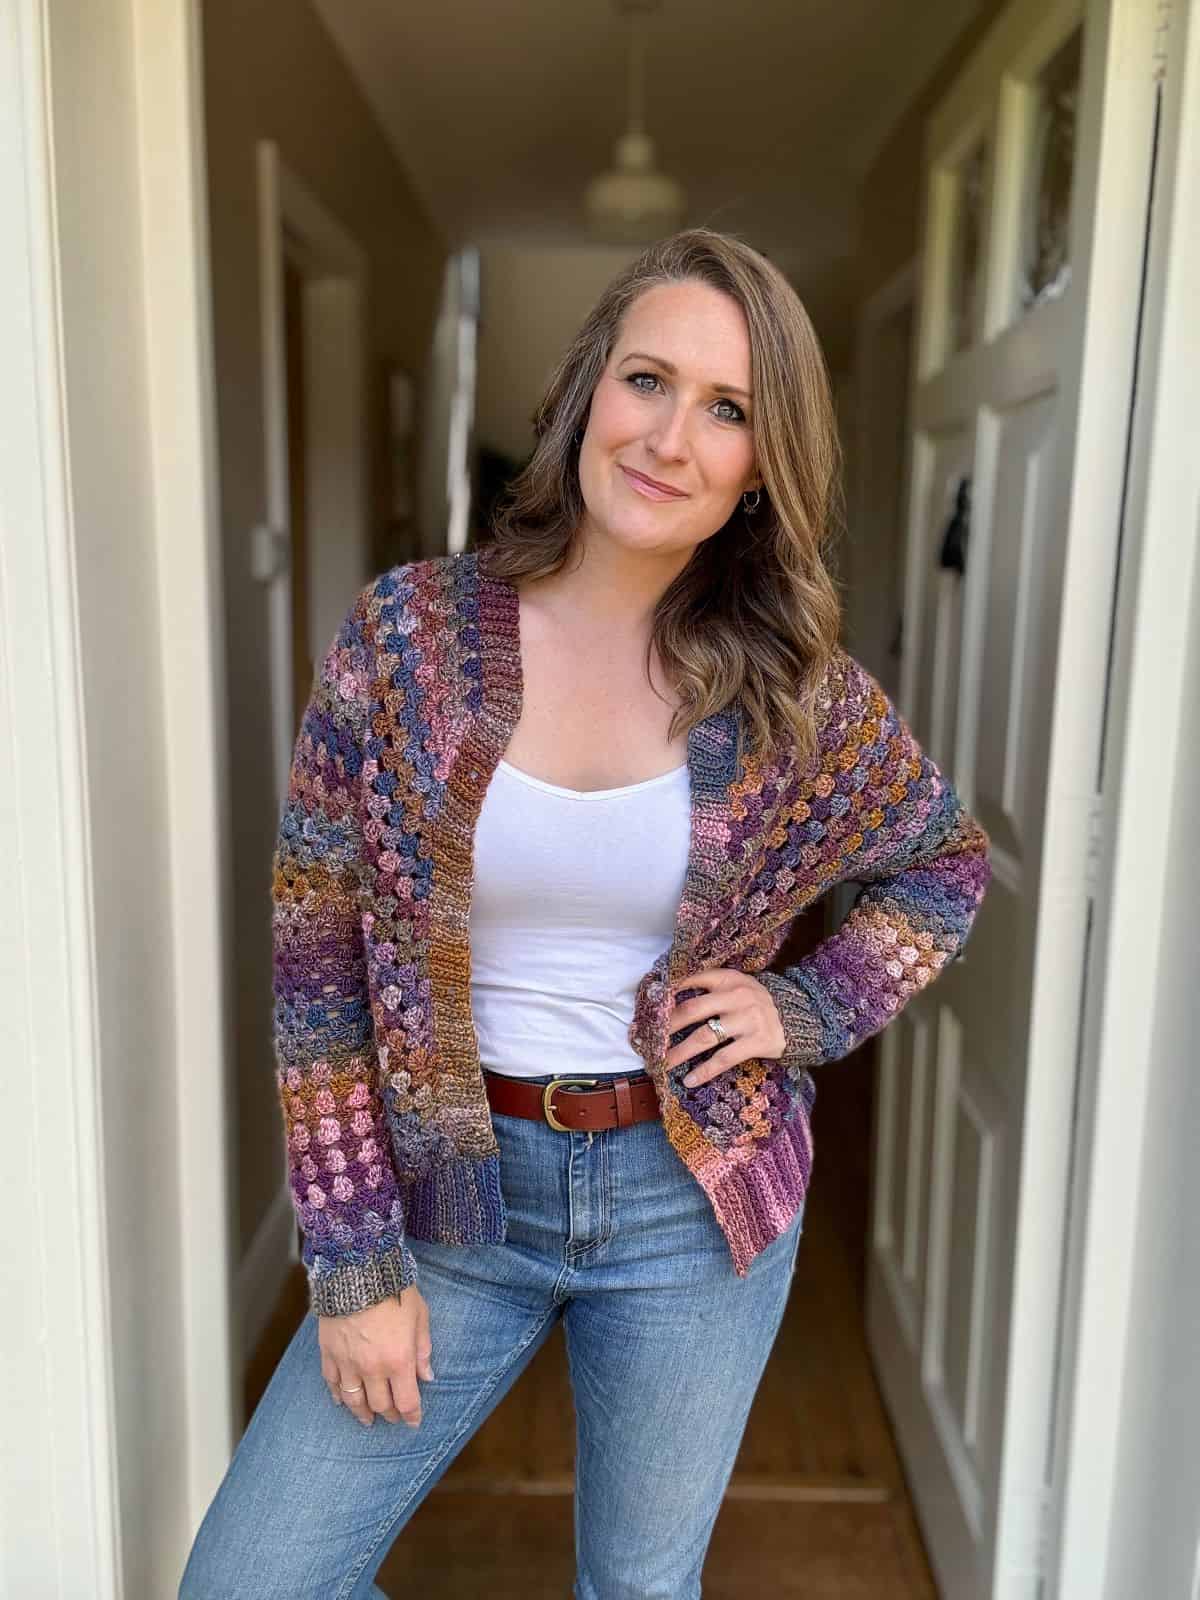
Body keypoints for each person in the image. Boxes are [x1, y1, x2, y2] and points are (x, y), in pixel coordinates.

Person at [180, 227, 991, 1598]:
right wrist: (352, 1260)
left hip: (692, 1201)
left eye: (727, 409)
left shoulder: (794, 688)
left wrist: (801, 1009)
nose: (672, 436)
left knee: (640, 1590)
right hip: (450, 1202)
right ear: (583, 398)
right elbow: (314, 959)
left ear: (759, 466)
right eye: (646, 380)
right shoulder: (406, 639)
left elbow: (946, 862)